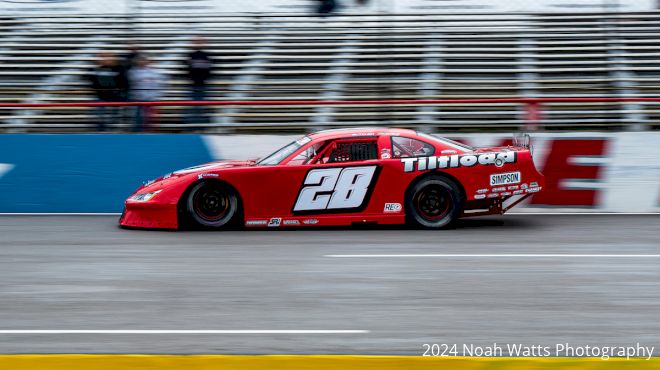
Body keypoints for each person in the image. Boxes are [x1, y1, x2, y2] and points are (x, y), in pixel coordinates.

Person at [87, 52, 127, 131]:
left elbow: (123, 83)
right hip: (101, 96)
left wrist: (120, 91)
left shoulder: (120, 69)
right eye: (104, 58)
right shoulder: (98, 69)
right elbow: (93, 82)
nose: (107, 59)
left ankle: (111, 128)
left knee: (113, 115)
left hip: (114, 96)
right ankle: (101, 127)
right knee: (100, 114)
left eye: (109, 57)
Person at [128, 55, 166, 132]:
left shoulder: (155, 72)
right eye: (140, 60)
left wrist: (157, 95)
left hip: (151, 99)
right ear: (137, 62)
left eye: (144, 60)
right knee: (138, 116)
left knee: (150, 117)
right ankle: (138, 131)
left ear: (148, 61)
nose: (142, 62)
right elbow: (130, 84)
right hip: (138, 98)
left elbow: (160, 83)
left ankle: (150, 131)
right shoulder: (132, 72)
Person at [185, 36, 213, 126]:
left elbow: (211, 70)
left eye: (200, 42)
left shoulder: (207, 56)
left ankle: (202, 126)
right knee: (193, 107)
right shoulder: (190, 55)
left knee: (202, 106)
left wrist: (203, 78)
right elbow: (186, 69)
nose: (198, 43)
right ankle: (192, 126)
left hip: (203, 85)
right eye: (197, 42)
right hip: (193, 85)